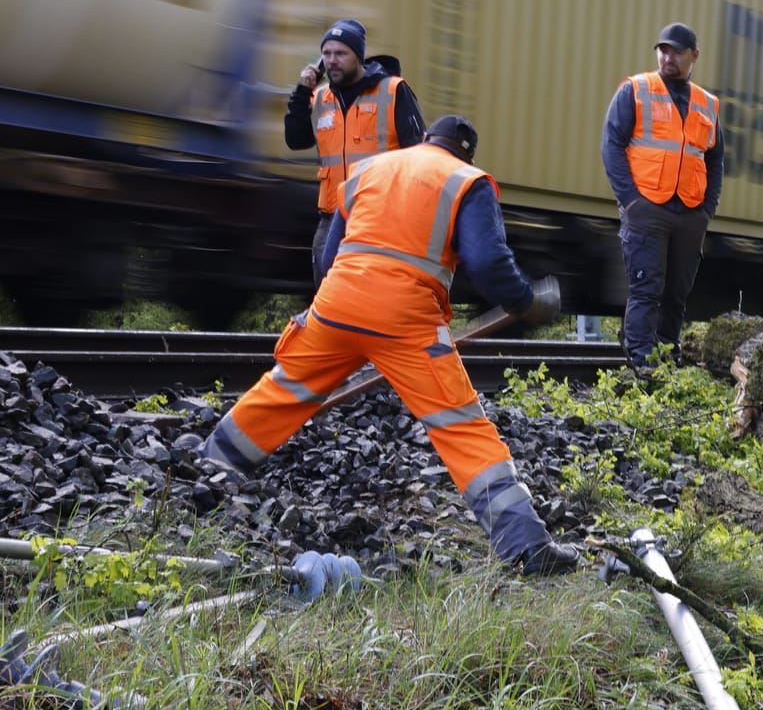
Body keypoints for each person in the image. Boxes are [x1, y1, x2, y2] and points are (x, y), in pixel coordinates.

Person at [203, 115, 577, 576]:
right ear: (465, 153)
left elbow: (329, 253)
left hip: (336, 302)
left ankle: (206, 473)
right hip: (405, 319)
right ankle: (526, 546)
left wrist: (334, 308)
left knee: (286, 387)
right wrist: (525, 299)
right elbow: (487, 260)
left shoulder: (371, 169)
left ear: (425, 141)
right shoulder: (467, 181)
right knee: (459, 426)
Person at [600, 22, 726, 371]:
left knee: (676, 296)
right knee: (647, 289)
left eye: (677, 51)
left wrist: (706, 210)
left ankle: (667, 359)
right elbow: (611, 147)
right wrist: (631, 202)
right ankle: (643, 366)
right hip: (647, 209)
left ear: (694, 56)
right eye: (663, 50)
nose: (668, 57)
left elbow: (715, 161)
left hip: (689, 214)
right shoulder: (636, 90)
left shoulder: (708, 104)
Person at [285, 18, 426, 287]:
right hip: (331, 218)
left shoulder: (394, 91)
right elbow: (295, 139)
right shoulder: (320, 99)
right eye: (326, 54)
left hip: (381, 219)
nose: (331, 61)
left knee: (372, 294)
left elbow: (420, 155)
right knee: (327, 294)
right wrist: (302, 92)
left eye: (340, 53)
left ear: (358, 57)